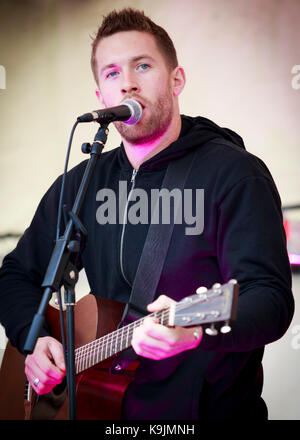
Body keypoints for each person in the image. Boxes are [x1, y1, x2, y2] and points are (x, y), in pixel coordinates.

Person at [0, 8, 294, 420]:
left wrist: (193, 330)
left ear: (176, 81)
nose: (129, 83)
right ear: (100, 97)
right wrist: (34, 340)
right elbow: (15, 274)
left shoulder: (234, 174)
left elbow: (271, 299)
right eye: (112, 73)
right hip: (100, 409)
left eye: (142, 65)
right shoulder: (85, 182)